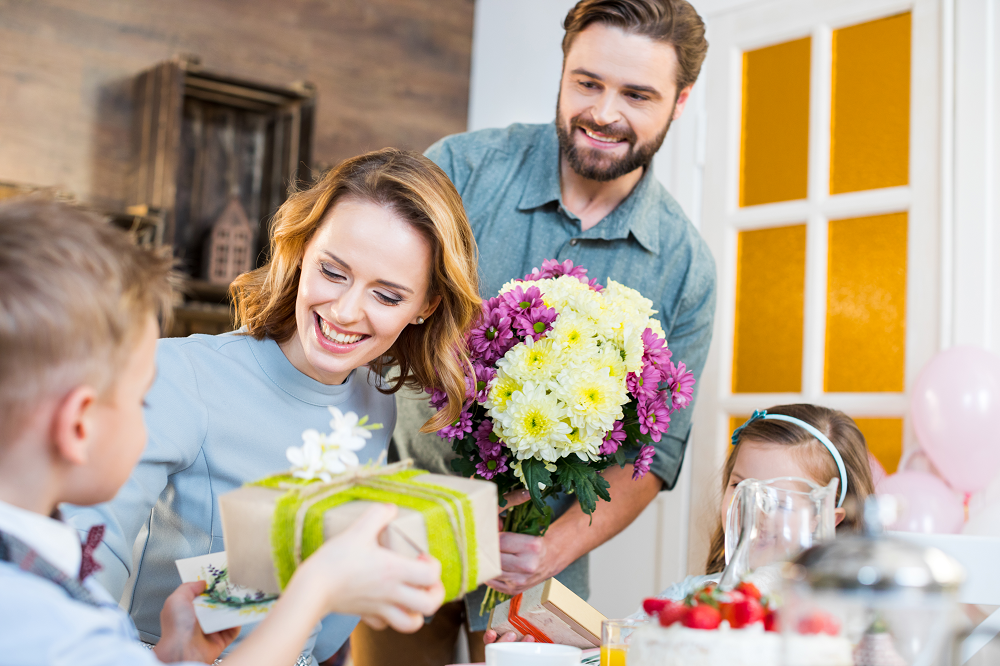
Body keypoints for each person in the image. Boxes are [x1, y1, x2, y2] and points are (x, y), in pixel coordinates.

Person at [356, 1, 717, 662]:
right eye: (588, 82)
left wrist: (543, 551)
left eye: (637, 94)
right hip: (408, 519)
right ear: (563, 69)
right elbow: (376, 319)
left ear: (680, 101)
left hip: (541, 559)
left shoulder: (686, 268)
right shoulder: (460, 173)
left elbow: (652, 459)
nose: (604, 112)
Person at [63, 148, 482, 665]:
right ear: (302, 249)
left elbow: (316, 621)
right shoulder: (182, 375)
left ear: (426, 307)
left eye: (388, 296)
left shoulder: (375, 399)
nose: (346, 312)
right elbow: (83, 565)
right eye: (333, 271)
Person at [485, 403, 877, 643]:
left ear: (825, 517)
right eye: (740, 486)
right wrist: (555, 644)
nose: (752, 508)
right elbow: (626, 643)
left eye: (778, 499)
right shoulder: (693, 594)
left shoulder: (837, 611)